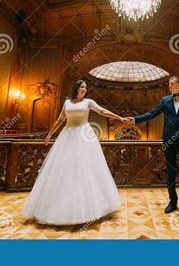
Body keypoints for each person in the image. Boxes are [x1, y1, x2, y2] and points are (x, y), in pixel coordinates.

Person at [22, 80, 125, 225]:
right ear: (76, 88)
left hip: (84, 136)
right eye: (82, 87)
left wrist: (119, 118)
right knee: (64, 169)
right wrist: (50, 134)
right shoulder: (67, 103)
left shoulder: (89, 102)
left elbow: (102, 111)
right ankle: (58, 207)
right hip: (67, 136)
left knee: (85, 169)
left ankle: (90, 206)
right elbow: (60, 120)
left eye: (85, 87)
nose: (84, 89)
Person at [126, 76, 179, 215]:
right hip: (168, 140)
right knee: (170, 172)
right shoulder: (165, 100)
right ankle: (172, 201)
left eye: (172, 84)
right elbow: (152, 113)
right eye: (169, 84)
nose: (170, 86)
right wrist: (135, 120)